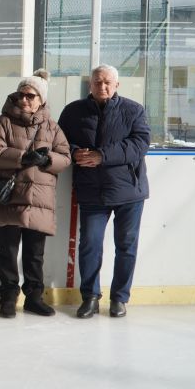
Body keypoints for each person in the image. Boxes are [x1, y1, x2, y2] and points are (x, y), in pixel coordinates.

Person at [58, 64, 150, 319]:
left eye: (108, 82)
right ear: (90, 84)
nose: (103, 86)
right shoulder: (73, 111)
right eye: (98, 82)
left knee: (126, 246)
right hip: (92, 190)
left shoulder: (134, 110)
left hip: (129, 191)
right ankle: (90, 297)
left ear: (117, 85)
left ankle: (120, 298)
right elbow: (60, 141)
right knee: (90, 245)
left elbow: (140, 144)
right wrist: (76, 152)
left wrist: (102, 156)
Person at [0, 70, 71, 318]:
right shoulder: (4, 122)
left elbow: (65, 157)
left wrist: (48, 159)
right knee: (7, 252)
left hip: (39, 200)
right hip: (10, 197)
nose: (24, 100)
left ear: (41, 99)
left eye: (30, 95)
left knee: (34, 254)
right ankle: (8, 298)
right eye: (21, 94)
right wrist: (23, 157)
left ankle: (34, 298)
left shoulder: (52, 127)